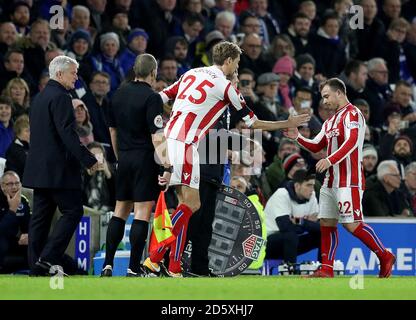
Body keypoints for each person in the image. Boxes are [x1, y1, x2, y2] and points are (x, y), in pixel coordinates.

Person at [143, 41, 310, 277]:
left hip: (168, 141)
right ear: (229, 61)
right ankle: (155, 256)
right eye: (238, 63)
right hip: (187, 144)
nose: (237, 67)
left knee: (187, 204)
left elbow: (158, 98)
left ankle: (173, 265)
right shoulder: (225, 85)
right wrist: (288, 123)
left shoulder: (191, 74)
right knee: (192, 205)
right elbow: (253, 123)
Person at [284, 78, 396, 278]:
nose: (324, 101)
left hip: (349, 179)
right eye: (322, 97)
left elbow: (352, 141)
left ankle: (384, 255)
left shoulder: (353, 114)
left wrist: (329, 159)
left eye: (327, 96)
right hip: (331, 180)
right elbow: (316, 145)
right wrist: (297, 138)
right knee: (327, 222)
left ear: (339, 93)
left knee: (351, 224)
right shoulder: (330, 121)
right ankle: (327, 268)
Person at [23, 55, 98, 276]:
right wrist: (88, 159)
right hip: (59, 170)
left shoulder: (39, 97)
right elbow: (67, 133)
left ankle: (35, 266)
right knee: (73, 211)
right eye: (73, 72)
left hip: (39, 169)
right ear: (59, 74)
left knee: (40, 218)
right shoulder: (62, 97)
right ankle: (48, 258)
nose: (76, 76)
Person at [100, 53, 172, 277]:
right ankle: (132, 268)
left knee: (120, 210)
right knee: (142, 212)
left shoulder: (117, 94)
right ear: (153, 72)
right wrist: (167, 165)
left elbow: (113, 131)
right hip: (144, 159)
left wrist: (120, 156)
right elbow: (156, 135)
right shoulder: (152, 98)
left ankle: (108, 264)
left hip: (125, 158)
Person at [264, 169, 320, 265]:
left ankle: (323, 268)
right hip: (266, 244)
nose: (312, 189)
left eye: (313, 185)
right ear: (297, 186)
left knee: (323, 234)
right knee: (290, 236)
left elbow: (318, 227)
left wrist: (299, 221)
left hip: (291, 243)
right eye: (308, 185)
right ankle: (290, 270)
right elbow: (285, 226)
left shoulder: (311, 195)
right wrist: (306, 222)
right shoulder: (282, 194)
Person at [0, 171, 30, 273]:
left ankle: (76, 268)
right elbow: (1, 232)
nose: (14, 187)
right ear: (2, 186)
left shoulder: (23, 201)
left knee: (42, 243)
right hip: (2, 246)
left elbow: (29, 226)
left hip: (14, 243)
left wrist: (29, 235)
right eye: (10, 184)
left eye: (17, 183)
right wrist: (12, 209)